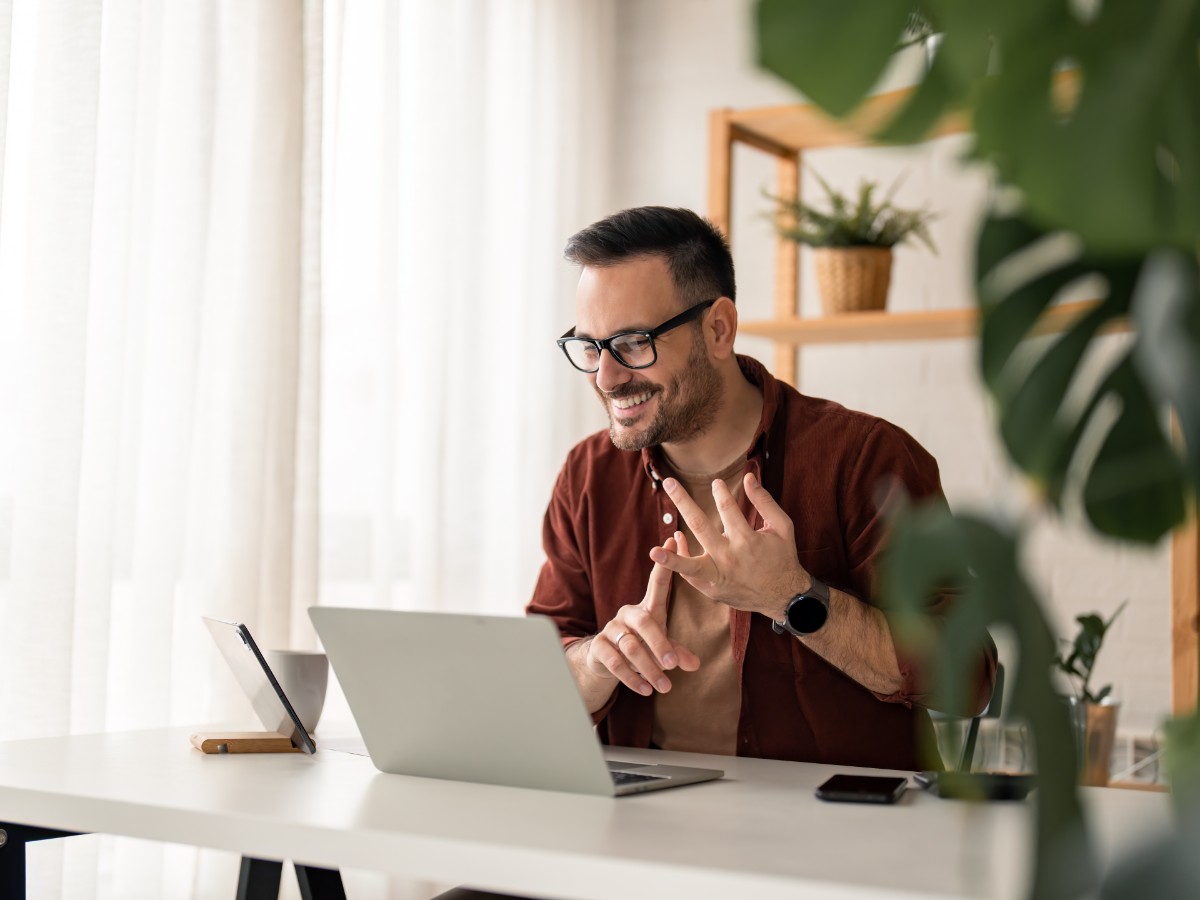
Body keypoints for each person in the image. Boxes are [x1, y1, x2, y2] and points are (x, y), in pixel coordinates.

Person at [527, 206, 996, 771]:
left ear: (718, 329)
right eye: (590, 347)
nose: (605, 378)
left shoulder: (866, 460)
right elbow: (541, 665)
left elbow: (968, 678)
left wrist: (794, 597)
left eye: (632, 343)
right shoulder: (588, 476)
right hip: (641, 831)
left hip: (839, 838)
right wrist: (591, 665)